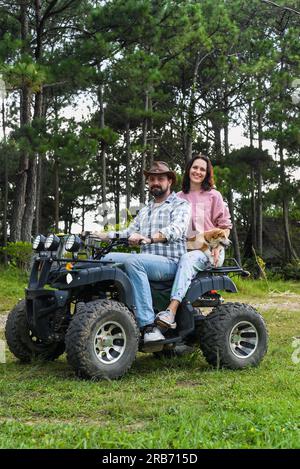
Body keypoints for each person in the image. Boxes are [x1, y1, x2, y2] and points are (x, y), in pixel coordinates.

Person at [93, 161, 191, 343]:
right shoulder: (145, 210)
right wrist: (103, 235)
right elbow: (129, 233)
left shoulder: (180, 205)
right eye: (151, 179)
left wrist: (150, 238)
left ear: (170, 181)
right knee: (103, 258)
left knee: (134, 261)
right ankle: (100, 309)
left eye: (160, 178)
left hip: (170, 262)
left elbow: (177, 229)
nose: (155, 182)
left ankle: (148, 326)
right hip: (147, 261)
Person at [155, 154, 232, 330]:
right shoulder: (178, 197)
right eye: (195, 167)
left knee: (187, 260)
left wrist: (219, 246)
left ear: (207, 173)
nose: (198, 171)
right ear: (189, 169)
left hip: (209, 250)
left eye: (202, 169)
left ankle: (171, 312)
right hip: (183, 249)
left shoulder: (214, 195)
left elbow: (225, 226)